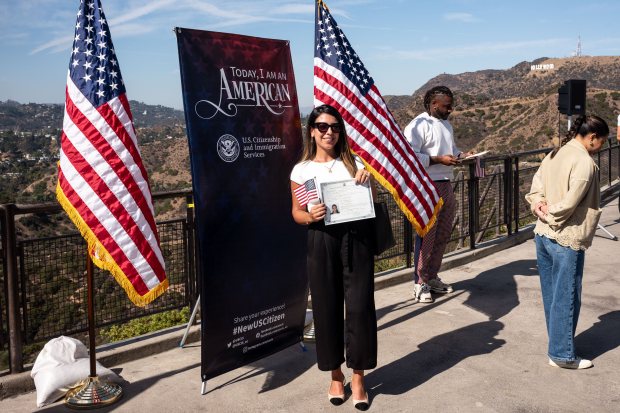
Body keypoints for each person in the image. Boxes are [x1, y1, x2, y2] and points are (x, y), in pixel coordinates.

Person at [290, 104, 376, 411]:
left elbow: (371, 204)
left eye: (335, 127)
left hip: (356, 239)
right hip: (321, 239)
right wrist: (309, 215)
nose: (330, 132)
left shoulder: (354, 163)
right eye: (323, 127)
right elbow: (296, 214)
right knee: (326, 309)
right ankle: (335, 374)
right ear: (312, 130)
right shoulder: (302, 171)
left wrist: (369, 183)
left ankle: (358, 376)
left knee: (359, 308)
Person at [525, 114, 609, 369]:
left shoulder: (555, 153)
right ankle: (562, 354)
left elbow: (536, 185)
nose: (602, 148)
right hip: (566, 236)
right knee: (567, 295)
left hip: (543, 234)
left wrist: (538, 207)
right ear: (592, 137)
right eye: (602, 142)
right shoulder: (584, 162)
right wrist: (549, 212)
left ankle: (557, 346)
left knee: (553, 294)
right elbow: (571, 203)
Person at [403, 86, 474, 303]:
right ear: (434, 104)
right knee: (427, 235)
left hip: (446, 182)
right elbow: (409, 157)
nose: (450, 109)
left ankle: (432, 276)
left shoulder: (446, 125)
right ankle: (420, 283)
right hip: (426, 185)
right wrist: (437, 159)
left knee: (442, 233)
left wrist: (462, 155)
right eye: (447, 106)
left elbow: (450, 150)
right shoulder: (417, 125)